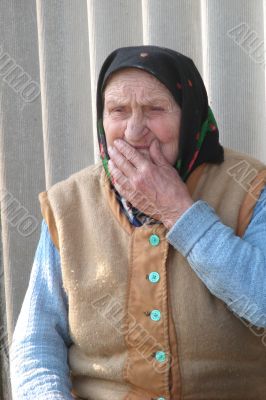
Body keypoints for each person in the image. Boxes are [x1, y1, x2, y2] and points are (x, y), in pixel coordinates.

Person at [10, 45, 266, 400]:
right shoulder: (69, 204)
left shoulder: (249, 187)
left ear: (190, 116)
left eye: (154, 110)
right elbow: (36, 344)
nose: (133, 131)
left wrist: (178, 211)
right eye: (118, 110)